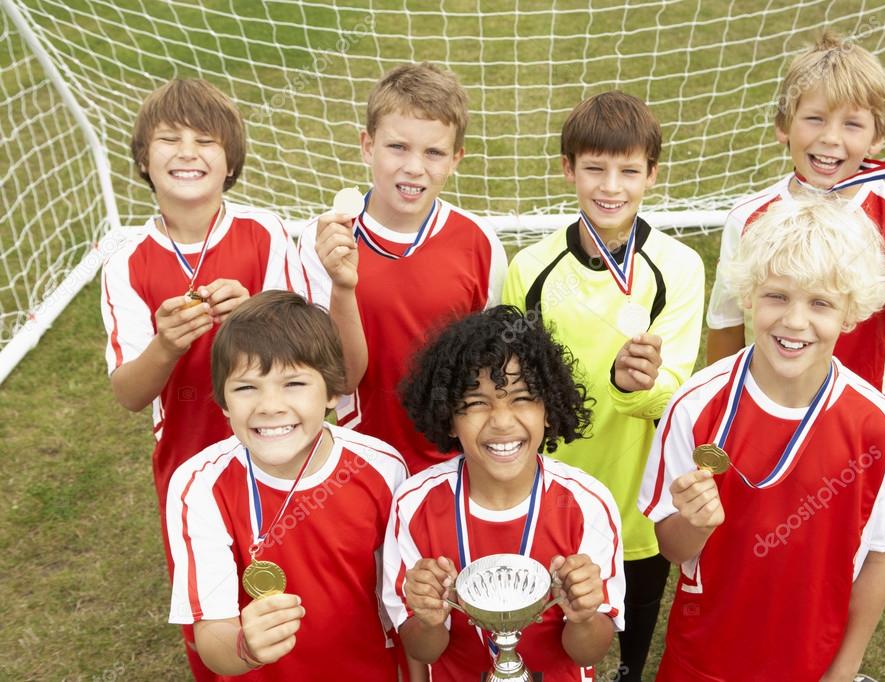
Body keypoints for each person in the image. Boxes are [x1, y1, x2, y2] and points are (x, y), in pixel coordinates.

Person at [640, 198, 885, 681]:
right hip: (703, 658)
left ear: (851, 313)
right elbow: (672, 547)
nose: (795, 321)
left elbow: (881, 553)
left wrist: (844, 669)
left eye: (820, 303)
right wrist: (693, 523)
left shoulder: (875, 424)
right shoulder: (694, 405)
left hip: (813, 663)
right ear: (749, 295)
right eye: (777, 296)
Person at [99, 78, 307, 678]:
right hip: (189, 464)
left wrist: (256, 313)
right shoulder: (126, 262)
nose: (187, 152)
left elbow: (306, 350)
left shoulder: (264, 233)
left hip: (281, 453)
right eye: (170, 139)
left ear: (230, 162)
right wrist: (165, 345)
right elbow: (130, 394)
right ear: (144, 159)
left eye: (205, 140)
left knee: (292, 595)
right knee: (213, 608)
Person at [502, 90, 703, 680]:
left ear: (652, 174)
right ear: (568, 169)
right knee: (555, 609)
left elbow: (675, 392)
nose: (611, 187)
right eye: (594, 168)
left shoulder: (679, 268)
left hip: (638, 481)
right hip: (552, 482)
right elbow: (512, 383)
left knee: (637, 606)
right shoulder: (530, 268)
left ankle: (630, 673)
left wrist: (632, 387)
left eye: (629, 171)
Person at [705, 30, 885, 400]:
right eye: (815, 118)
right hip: (764, 406)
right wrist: (723, 405)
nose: (831, 138)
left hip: (857, 414)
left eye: (852, 124)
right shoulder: (748, 218)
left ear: (876, 137)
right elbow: (726, 324)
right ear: (783, 126)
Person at [166, 290, 407, 679]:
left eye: (293, 383)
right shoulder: (199, 486)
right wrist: (245, 648)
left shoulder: (383, 468)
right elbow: (211, 637)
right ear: (223, 402)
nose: (270, 406)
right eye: (246, 387)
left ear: (333, 391)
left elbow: (403, 606)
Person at [382, 305, 625, 681]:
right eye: (476, 403)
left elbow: (589, 651)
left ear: (548, 409)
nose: (501, 420)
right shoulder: (414, 504)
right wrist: (428, 618)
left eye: (522, 397)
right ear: (449, 417)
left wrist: (584, 615)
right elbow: (422, 649)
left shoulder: (587, 504)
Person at [299, 62, 507, 475]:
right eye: (398, 146)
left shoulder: (480, 242)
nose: (414, 167)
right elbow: (339, 379)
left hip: (455, 466)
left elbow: (491, 369)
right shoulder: (323, 240)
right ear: (367, 145)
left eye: (434, 152)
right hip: (361, 464)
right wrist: (342, 286)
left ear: (456, 159)